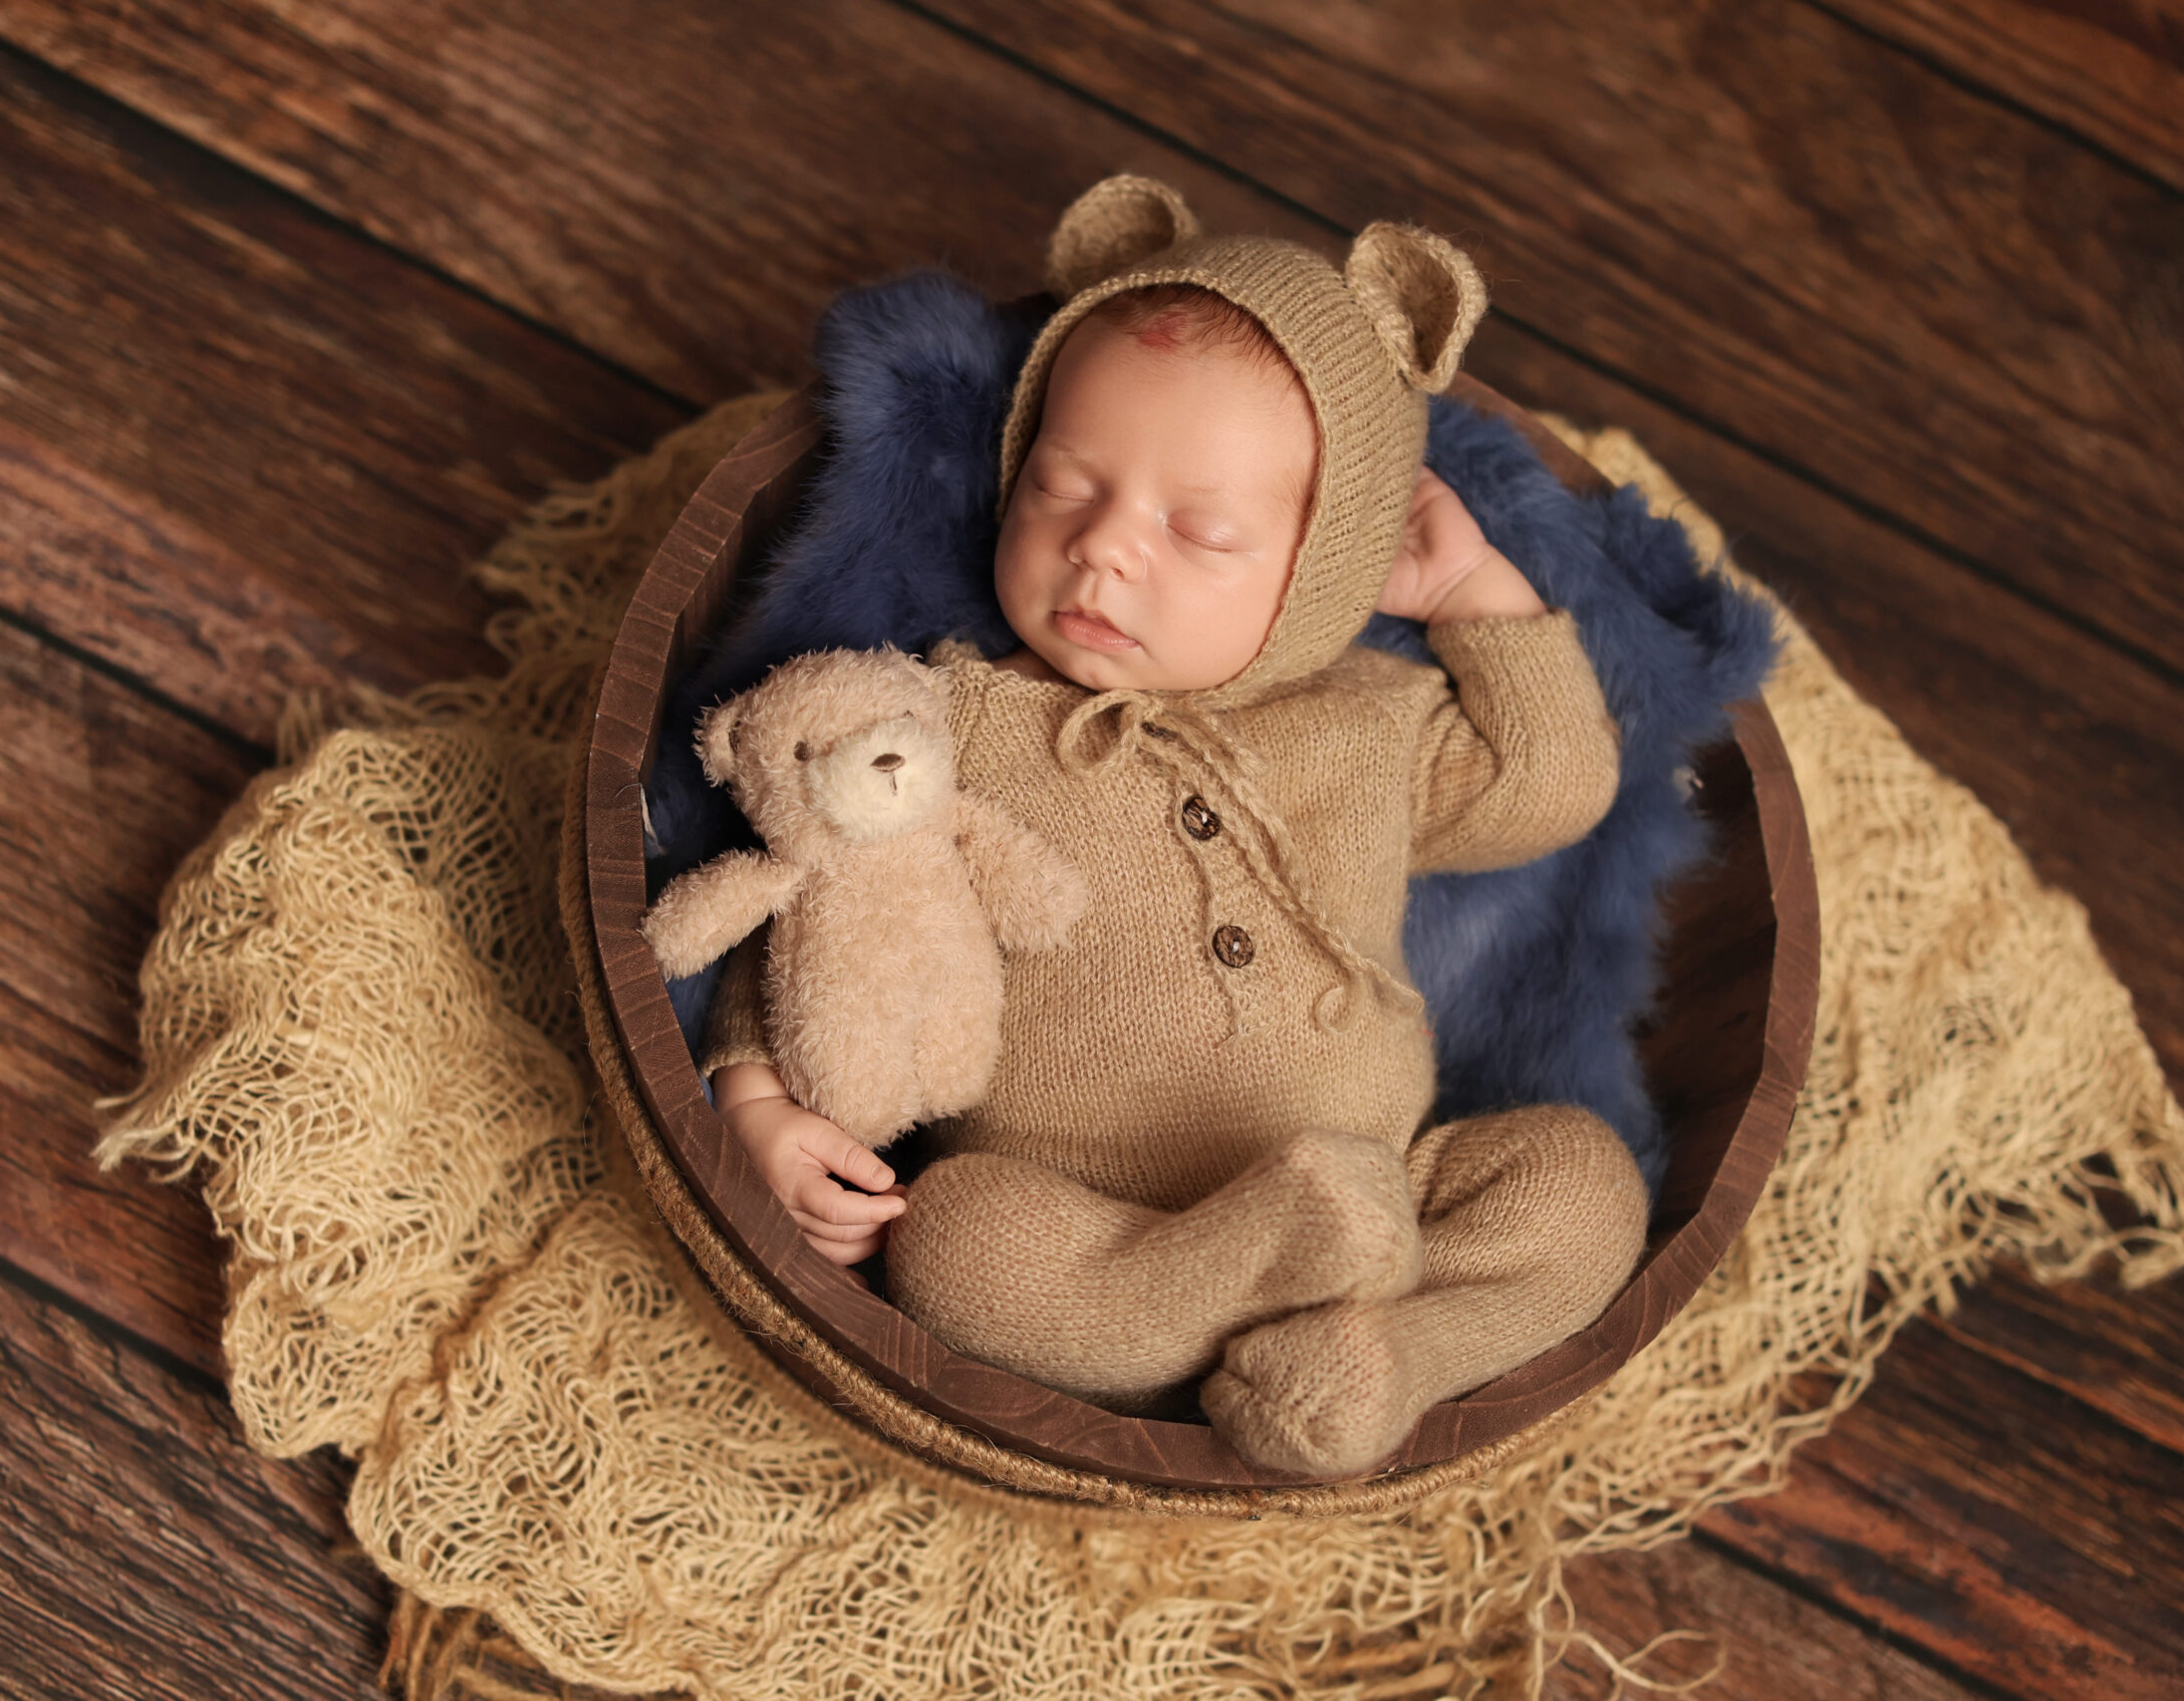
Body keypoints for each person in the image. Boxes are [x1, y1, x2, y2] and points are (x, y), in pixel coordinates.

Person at [700, 177, 1647, 1478]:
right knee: (953, 1242)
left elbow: (1555, 784)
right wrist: (757, 1102)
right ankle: (1246, 1284)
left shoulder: (1371, 720)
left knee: (1581, 1188)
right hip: (1095, 1229)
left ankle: (1386, 1362)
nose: (1102, 553)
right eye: (1062, 486)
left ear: (1323, 568)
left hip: (1384, 1190)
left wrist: (1471, 590)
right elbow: (827, 905)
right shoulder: (960, 719)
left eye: (1195, 532)